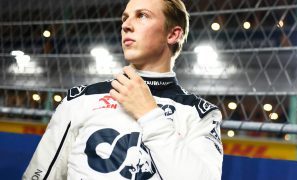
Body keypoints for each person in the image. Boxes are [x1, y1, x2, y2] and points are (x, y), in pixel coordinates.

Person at [23, 0, 223, 179]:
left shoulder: (200, 114)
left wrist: (150, 115)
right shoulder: (82, 99)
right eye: (125, 18)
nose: (126, 25)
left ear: (172, 34)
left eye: (142, 16)